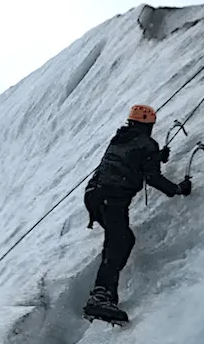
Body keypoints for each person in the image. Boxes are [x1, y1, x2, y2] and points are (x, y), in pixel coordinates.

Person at [82, 104, 192, 322]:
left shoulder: (119, 139)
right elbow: (152, 177)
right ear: (148, 125)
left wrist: (157, 157)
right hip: (112, 197)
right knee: (119, 241)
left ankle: (107, 295)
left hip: (94, 195)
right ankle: (101, 297)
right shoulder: (147, 144)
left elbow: (130, 159)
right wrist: (178, 189)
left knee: (120, 239)